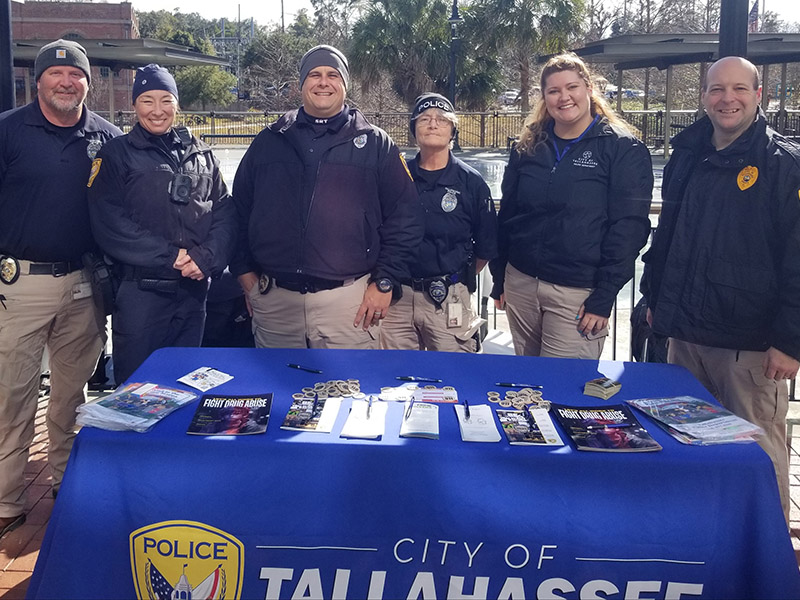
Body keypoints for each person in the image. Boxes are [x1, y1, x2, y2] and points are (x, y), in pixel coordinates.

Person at [640, 55, 800, 521]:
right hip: (686, 338)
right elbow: (667, 235)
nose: (727, 98)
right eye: (716, 89)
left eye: (739, 89)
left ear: (759, 95)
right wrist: (653, 296)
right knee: (685, 447)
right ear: (704, 96)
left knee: (758, 455)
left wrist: (790, 341)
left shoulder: (784, 167)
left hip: (748, 350)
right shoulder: (686, 154)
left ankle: (768, 553)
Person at [0, 39, 121, 536]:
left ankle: (65, 481)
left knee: (72, 394)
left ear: (88, 83)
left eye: (77, 76)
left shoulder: (107, 137)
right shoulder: (8, 132)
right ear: (39, 79)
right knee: (12, 395)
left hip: (86, 285)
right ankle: (7, 499)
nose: (67, 82)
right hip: (20, 283)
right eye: (57, 74)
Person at [231, 45, 422, 349]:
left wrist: (385, 280)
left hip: (350, 305)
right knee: (281, 392)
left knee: (349, 395)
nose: (323, 82)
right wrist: (243, 272)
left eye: (333, 75)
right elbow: (238, 210)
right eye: (315, 74)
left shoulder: (376, 144)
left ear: (344, 84)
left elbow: (405, 219)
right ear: (301, 83)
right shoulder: (269, 141)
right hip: (276, 303)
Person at [489, 53, 653, 359]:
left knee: (563, 392)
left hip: (578, 293)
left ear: (588, 88)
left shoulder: (621, 149)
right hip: (522, 283)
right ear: (544, 97)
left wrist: (604, 297)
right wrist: (500, 277)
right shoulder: (528, 146)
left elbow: (628, 228)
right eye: (553, 91)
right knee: (529, 386)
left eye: (572, 87)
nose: (564, 97)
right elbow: (509, 215)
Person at [88, 64, 235, 384]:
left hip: (193, 292)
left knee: (186, 385)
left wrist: (206, 258)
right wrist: (170, 256)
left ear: (177, 104)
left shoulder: (201, 153)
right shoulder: (117, 154)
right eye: (147, 100)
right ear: (134, 104)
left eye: (166, 100)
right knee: (138, 390)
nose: (157, 110)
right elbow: (108, 221)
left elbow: (224, 210)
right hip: (141, 294)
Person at [381, 93, 497, 352]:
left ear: (453, 130)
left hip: (449, 297)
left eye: (442, 119)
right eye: (424, 119)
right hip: (398, 298)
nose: (433, 124)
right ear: (414, 129)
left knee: (452, 379)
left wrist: (453, 278)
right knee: (393, 380)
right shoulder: (397, 178)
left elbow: (486, 247)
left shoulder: (472, 183)